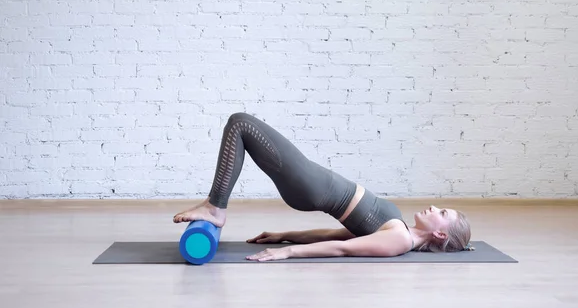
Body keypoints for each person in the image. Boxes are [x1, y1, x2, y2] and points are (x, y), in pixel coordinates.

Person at [173, 112, 472, 262]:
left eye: (442, 212)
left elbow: (342, 248)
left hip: (312, 187)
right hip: (313, 182)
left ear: (441, 232)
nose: (434, 207)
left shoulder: (400, 241)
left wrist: (286, 255)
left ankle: (215, 207)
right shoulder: (401, 230)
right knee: (241, 126)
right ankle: (215, 205)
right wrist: (285, 237)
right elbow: (337, 233)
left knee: (241, 124)